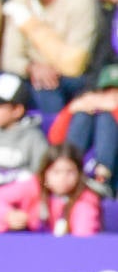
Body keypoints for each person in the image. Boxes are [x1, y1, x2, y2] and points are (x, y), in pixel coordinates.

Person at [1, 0, 101, 114]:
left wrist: (31, 25)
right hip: (32, 73)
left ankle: (56, 139)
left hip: (79, 77)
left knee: (46, 88)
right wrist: (32, 68)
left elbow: (74, 65)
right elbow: (9, 59)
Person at [0, 143, 102, 235]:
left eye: (70, 172)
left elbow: (83, 239)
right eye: (56, 172)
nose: (63, 178)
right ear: (45, 173)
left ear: (79, 174)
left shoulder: (85, 200)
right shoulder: (33, 186)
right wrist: (8, 215)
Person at [50, 64, 118, 196]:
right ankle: (69, 174)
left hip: (112, 173)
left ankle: (101, 178)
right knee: (83, 116)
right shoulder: (88, 110)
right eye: (107, 91)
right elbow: (55, 141)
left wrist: (114, 110)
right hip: (80, 164)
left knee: (106, 118)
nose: (112, 96)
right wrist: (70, 110)